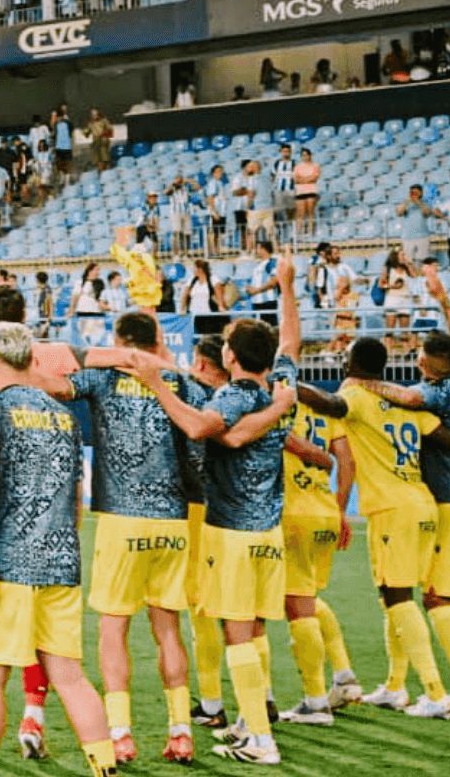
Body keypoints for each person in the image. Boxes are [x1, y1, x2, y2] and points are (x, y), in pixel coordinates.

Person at [0, 322, 121, 777]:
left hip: (3, 567)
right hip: (61, 562)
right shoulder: (65, 416)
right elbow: (75, 495)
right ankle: (105, 768)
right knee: (70, 677)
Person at [345, 267, 450, 713]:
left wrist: (360, 380)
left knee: (436, 597)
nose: (418, 361)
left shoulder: (436, 392)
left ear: (432, 362)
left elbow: (409, 399)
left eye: (422, 356)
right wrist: (443, 299)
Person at [51, 312, 215, 764]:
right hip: (174, 522)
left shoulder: (102, 379)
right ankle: (181, 729)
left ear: (118, 341)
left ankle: (120, 731)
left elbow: (55, 383)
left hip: (122, 521)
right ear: (157, 340)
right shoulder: (178, 382)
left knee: (112, 629)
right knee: (168, 630)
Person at [135, 317, 299, 764]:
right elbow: (291, 344)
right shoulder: (279, 391)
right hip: (268, 531)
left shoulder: (234, 396)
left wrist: (158, 386)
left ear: (230, 356)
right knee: (256, 628)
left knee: (237, 634)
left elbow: (199, 428)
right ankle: (250, 721)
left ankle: (262, 740)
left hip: (232, 533)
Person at [265, 258, 364, 726]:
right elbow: (346, 460)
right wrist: (341, 509)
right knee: (305, 597)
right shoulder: (321, 406)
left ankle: (313, 701)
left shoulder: (264, 393)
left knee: (287, 605)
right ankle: (343, 676)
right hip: (324, 511)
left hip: (287, 513)